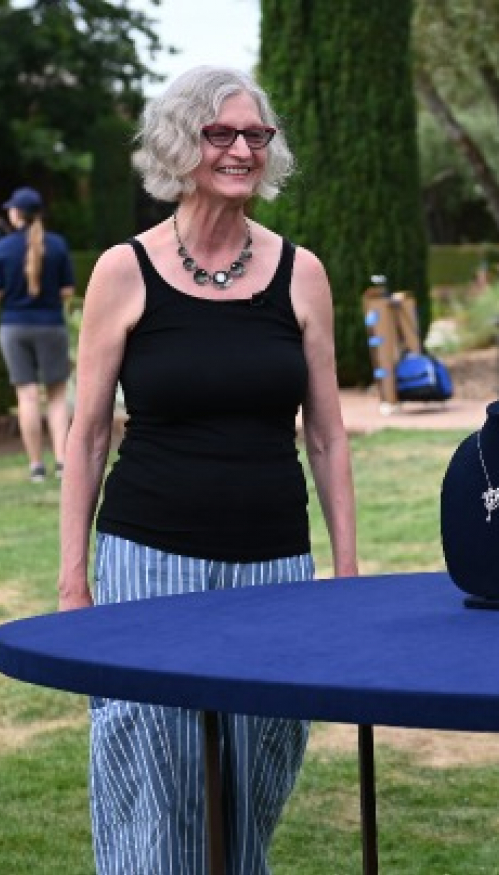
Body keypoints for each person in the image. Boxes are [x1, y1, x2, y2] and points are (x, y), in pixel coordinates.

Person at [59, 65, 359, 874]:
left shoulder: (303, 273)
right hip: (148, 560)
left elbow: (327, 437)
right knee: (161, 783)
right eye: (219, 133)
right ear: (179, 144)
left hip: (277, 568)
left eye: (254, 135)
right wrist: (72, 585)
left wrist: (347, 576)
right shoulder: (125, 271)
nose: (240, 150)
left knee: (259, 773)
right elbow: (87, 436)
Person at [0, 186, 75, 482]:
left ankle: (36, 466)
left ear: (16, 214)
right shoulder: (58, 245)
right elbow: (67, 291)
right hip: (50, 326)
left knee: (27, 396)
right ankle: (63, 462)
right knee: (57, 397)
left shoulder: (1, 248)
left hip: (14, 326)